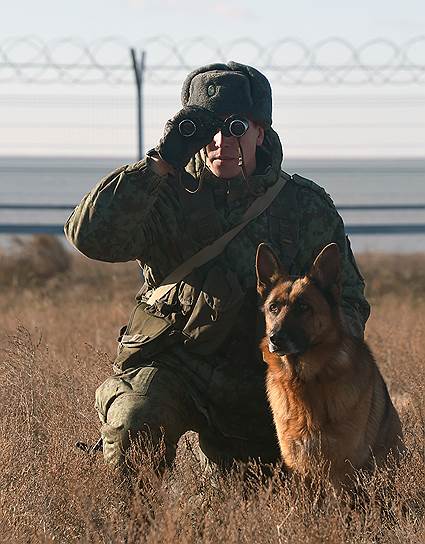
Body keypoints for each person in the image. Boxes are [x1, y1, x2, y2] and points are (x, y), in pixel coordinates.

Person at [65, 61, 370, 474]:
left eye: (237, 128)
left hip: (263, 377)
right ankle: (129, 529)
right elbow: (89, 237)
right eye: (208, 129)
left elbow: (348, 301)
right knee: (136, 421)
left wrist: (317, 366)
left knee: (270, 487)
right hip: (175, 363)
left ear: (261, 133)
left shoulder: (303, 208)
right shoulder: (162, 194)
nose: (221, 141)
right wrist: (159, 162)